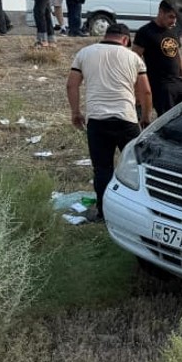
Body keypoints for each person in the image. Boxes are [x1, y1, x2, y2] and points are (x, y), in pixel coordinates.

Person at [66, 23, 152, 222]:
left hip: (97, 120)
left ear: (107, 35)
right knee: (137, 168)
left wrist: (76, 112)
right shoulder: (133, 57)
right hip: (126, 119)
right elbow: (145, 91)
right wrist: (146, 117)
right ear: (125, 39)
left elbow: (72, 84)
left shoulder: (84, 53)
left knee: (102, 169)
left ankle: (104, 213)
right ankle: (140, 212)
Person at [133, 0, 182, 116]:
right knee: (168, 118)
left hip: (178, 82)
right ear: (161, 12)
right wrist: (137, 89)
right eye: (171, 17)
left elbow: (177, 54)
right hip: (160, 85)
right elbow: (134, 59)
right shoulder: (145, 32)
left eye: (175, 18)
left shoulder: (172, 30)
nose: (173, 21)